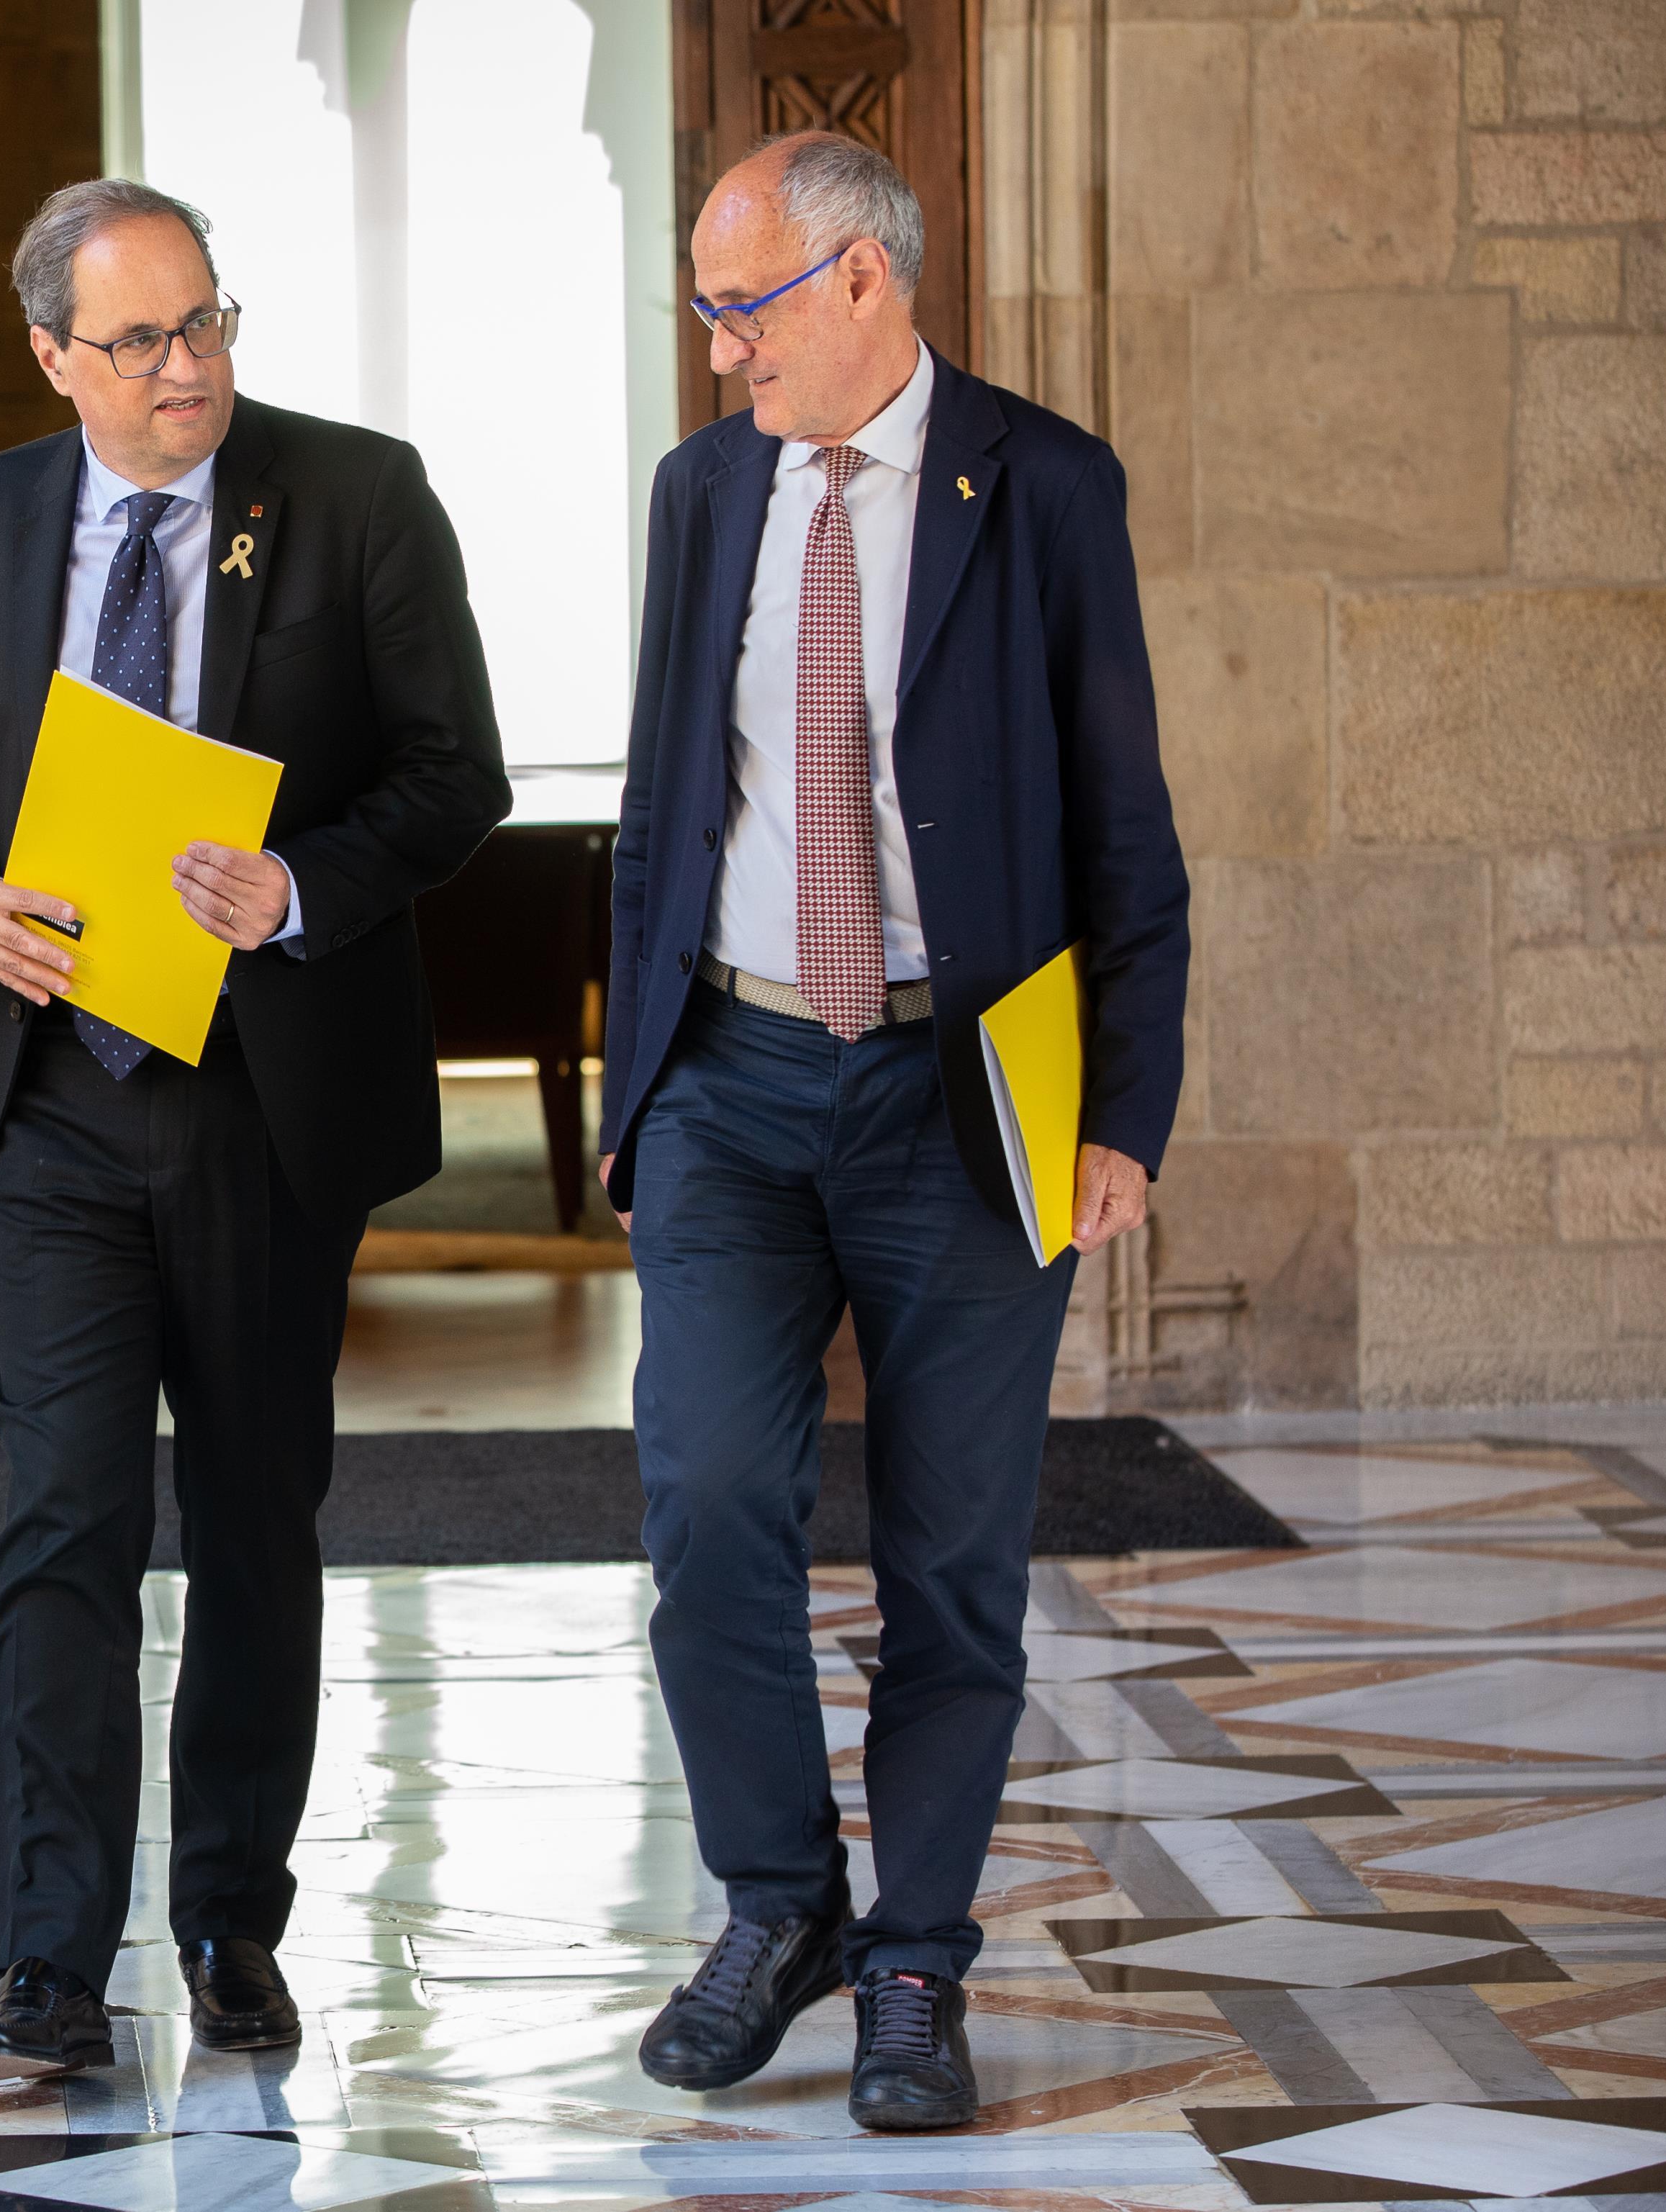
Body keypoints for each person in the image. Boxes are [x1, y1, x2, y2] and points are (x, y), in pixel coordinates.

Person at [0, 179, 507, 2082]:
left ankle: (233, 1921)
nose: (192, 368)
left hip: (261, 1105)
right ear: (54, 356)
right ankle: (48, 1964)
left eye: (209, 322)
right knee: (63, 1521)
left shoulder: (353, 495)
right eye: (146, 339)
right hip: (55, 1102)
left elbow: (454, 776)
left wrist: (299, 888)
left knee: (252, 1524)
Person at [598, 135, 1188, 2129]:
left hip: (965, 1092)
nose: (713, 352)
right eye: (704, 307)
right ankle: (781, 1906)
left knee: (950, 1559)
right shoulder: (701, 494)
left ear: (861, 281)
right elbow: (663, 800)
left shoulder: (1041, 484)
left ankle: (916, 1964)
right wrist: (630, 1096)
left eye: (739, 306)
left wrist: (1124, 1115)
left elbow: (1126, 832)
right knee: (705, 1517)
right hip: (731, 1083)